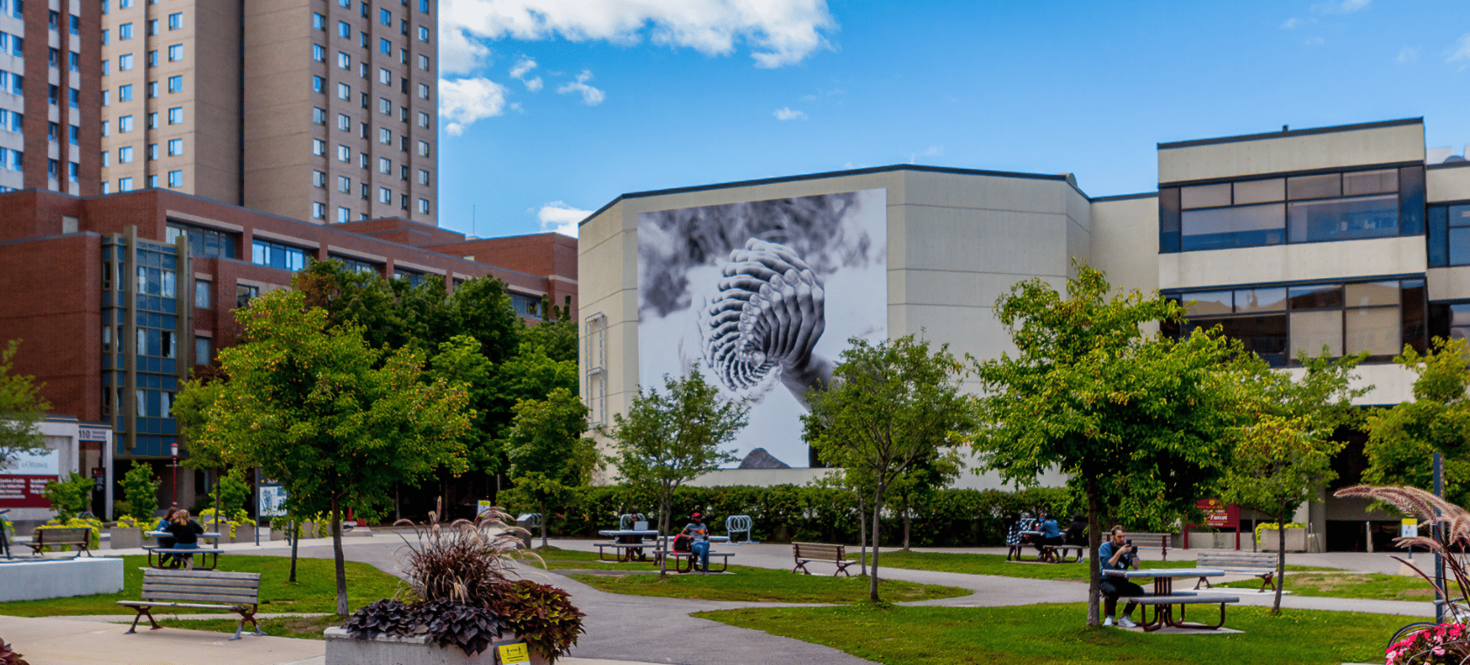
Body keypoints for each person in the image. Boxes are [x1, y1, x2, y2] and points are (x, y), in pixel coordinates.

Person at [1098, 525, 1144, 628]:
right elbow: (1108, 566)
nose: (1122, 539)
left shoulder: (1127, 548)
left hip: (1121, 580)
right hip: (1106, 579)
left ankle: (1124, 617)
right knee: (1113, 591)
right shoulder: (1105, 547)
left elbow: (1136, 566)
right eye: (1119, 537)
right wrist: (1119, 552)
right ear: (1113, 537)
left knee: (1139, 591)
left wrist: (1133, 554)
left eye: (1124, 536)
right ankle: (1109, 617)